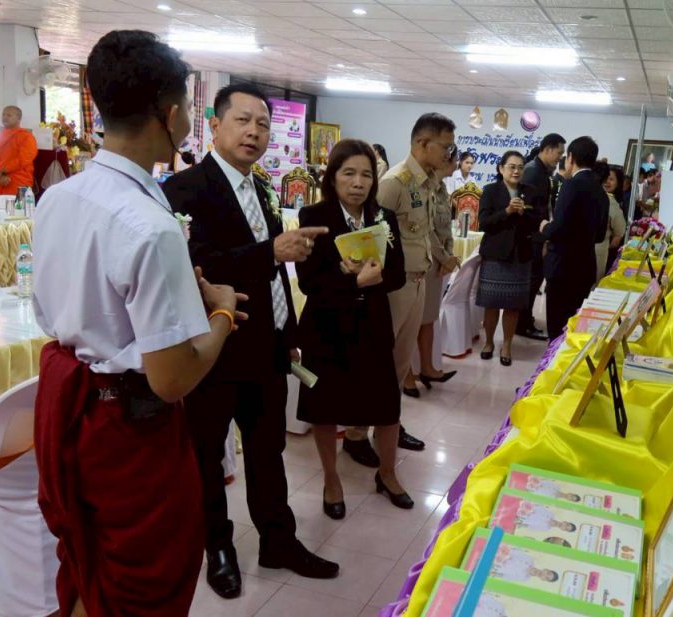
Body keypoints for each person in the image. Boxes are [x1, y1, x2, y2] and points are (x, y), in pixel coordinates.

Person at [31, 30, 245, 616]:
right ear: (171, 115)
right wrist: (223, 311)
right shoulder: (149, 224)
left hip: (67, 411)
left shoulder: (60, 197)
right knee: (141, 579)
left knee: (86, 556)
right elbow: (171, 379)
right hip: (126, 431)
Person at [164, 83, 339, 600]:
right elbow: (195, 268)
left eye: (263, 124)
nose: (254, 132)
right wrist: (270, 253)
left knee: (268, 450)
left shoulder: (261, 187)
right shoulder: (186, 190)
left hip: (266, 346)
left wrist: (288, 333)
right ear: (215, 126)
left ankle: (277, 540)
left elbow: (276, 270)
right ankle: (217, 548)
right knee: (207, 455)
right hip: (215, 349)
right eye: (242, 121)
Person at [295, 139, 413, 519]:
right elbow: (308, 281)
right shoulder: (313, 215)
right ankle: (331, 480)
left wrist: (376, 277)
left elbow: (397, 274)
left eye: (366, 174)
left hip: (373, 326)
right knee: (325, 409)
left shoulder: (384, 217)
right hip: (327, 328)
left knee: (386, 406)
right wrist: (351, 281)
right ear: (333, 177)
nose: (358, 182)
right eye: (349, 173)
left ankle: (388, 474)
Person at [342, 113, 457, 467]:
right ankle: (355, 434)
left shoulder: (426, 183)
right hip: (393, 287)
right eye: (445, 146)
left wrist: (443, 256)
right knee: (376, 363)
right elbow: (370, 234)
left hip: (418, 282)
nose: (449, 153)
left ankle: (388, 425)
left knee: (399, 363)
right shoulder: (394, 183)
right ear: (422, 144)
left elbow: (423, 231)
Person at [539, 136, 608, 340]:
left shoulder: (572, 185)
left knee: (557, 327)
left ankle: (553, 360)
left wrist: (545, 227)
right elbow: (600, 235)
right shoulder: (601, 191)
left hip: (563, 267)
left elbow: (559, 227)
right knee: (573, 328)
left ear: (571, 157)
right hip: (585, 267)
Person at [476, 151, 540, 366]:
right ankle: (488, 343)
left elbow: (537, 222)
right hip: (495, 255)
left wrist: (523, 214)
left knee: (513, 305)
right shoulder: (490, 191)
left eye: (520, 167)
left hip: (520, 256)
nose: (516, 171)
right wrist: (507, 211)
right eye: (512, 167)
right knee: (491, 304)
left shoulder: (530, 192)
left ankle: (507, 345)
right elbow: (484, 222)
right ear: (501, 168)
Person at [410, 149, 460, 396]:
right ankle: (407, 376)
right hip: (422, 260)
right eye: (453, 160)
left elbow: (445, 228)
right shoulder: (419, 187)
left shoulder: (441, 189)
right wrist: (444, 257)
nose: (456, 165)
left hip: (437, 262)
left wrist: (448, 255)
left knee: (428, 317)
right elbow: (425, 229)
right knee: (412, 321)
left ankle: (428, 368)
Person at [517, 133, 565, 341]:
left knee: (535, 279)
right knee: (532, 280)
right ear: (547, 149)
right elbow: (528, 208)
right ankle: (522, 323)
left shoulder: (541, 171)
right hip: (531, 235)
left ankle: (525, 319)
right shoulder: (533, 172)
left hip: (537, 234)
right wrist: (542, 229)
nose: (560, 158)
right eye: (559, 153)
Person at [0, 105, 37, 196]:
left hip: (19, 180)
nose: (5, 117)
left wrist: (2, 170)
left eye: (9, 115)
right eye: (3, 114)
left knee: (19, 205)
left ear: (19, 118)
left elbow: (24, 159)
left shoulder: (26, 136)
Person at [595, 162, 627, 283]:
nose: (607, 182)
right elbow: (620, 229)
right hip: (599, 250)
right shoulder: (609, 200)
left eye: (611, 179)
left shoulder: (611, 199)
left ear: (618, 183)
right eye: (606, 178)